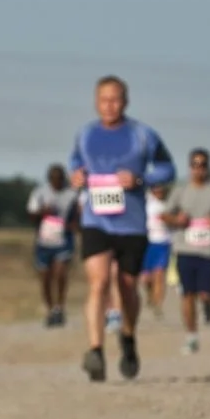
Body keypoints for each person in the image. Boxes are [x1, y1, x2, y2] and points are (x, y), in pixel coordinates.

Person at [69, 75, 175, 381]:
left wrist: (141, 180)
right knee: (98, 282)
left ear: (125, 102)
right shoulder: (85, 135)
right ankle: (96, 351)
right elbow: (75, 164)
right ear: (95, 102)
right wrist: (76, 177)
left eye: (115, 100)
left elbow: (168, 169)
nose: (109, 105)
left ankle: (128, 338)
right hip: (96, 221)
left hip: (131, 224)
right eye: (104, 100)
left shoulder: (143, 135)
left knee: (127, 287)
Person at [161, 149, 210, 354]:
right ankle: (191, 336)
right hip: (184, 248)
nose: (198, 169)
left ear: (208, 167)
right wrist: (177, 220)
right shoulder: (181, 190)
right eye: (195, 164)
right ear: (189, 166)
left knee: (205, 293)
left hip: (208, 250)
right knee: (187, 294)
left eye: (203, 165)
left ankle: (209, 305)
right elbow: (165, 215)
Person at [26, 165, 79, 326]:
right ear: (49, 180)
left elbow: (79, 214)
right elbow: (31, 214)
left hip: (63, 241)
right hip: (44, 241)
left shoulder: (71, 194)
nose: (57, 182)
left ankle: (60, 307)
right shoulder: (39, 193)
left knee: (60, 272)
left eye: (60, 179)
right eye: (54, 179)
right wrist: (42, 212)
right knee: (45, 278)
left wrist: (74, 225)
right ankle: (50, 309)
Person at [140, 183, 173, 318]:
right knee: (146, 279)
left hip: (163, 243)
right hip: (147, 242)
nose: (159, 190)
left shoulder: (170, 203)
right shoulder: (145, 201)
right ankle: (150, 294)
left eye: (161, 187)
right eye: (156, 187)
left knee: (159, 275)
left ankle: (158, 305)